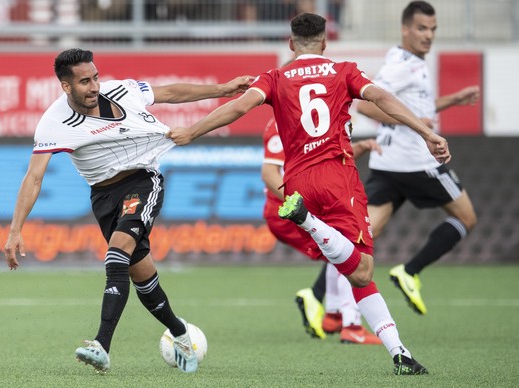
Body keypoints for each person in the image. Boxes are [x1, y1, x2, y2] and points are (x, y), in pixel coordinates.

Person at [167, 12, 453, 375]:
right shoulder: (343, 70)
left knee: (356, 274)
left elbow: (238, 106)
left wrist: (191, 133)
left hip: (298, 181)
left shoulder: (275, 77)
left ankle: (400, 354)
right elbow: (380, 97)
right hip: (337, 179)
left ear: (290, 44)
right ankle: (312, 228)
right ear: (324, 42)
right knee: (362, 268)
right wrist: (425, 133)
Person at [3, 48, 252, 374]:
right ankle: (181, 334)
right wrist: (15, 230)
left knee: (116, 254)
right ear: (66, 87)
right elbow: (34, 177)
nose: (94, 86)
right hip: (104, 199)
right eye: (84, 82)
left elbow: (171, 93)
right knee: (141, 276)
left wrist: (222, 88)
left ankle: (101, 345)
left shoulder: (121, 90)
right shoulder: (54, 123)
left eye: (95, 77)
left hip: (141, 181)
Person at [356, 1, 479, 316]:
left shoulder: (409, 60)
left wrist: (453, 100)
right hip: (416, 162)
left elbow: (416, 109)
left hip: (388, 163)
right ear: (405, 29)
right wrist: (412, 124)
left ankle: (320, 297)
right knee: (466, 218)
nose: (428, 36)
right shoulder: (403, 65)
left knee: (364, 234)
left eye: (433, 30)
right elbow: (367, 106)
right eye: (422, 28)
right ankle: (409, 271)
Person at [262, 117, 381, 345]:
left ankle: (334, 315)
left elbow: (328, 160)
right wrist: (298, 207)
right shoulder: (281, 121)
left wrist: (361, 147)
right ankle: (351, 325)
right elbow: (269, 173)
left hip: (310, 203)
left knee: (338, 249)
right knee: (347, 248)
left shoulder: (318, 110)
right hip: (289, 212)